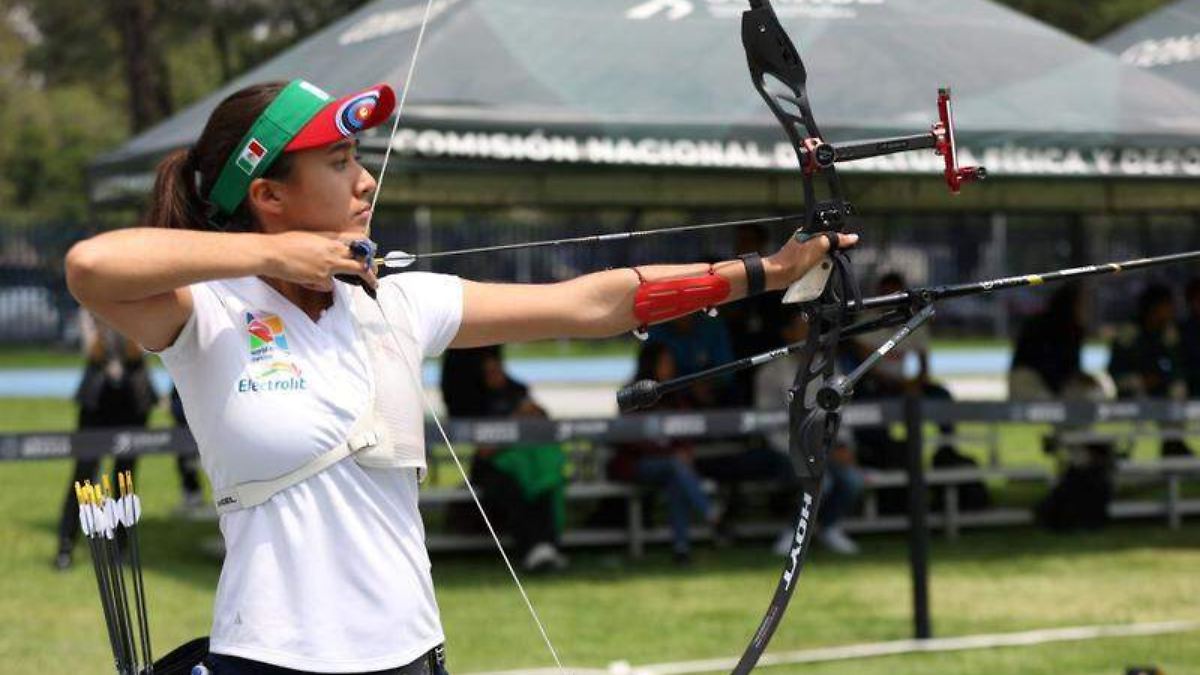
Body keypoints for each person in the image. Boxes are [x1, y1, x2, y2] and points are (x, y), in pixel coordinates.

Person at [64, 78, 854, 673]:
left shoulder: (398, 303)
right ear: (268, 197)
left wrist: (764, 270)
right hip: (270, 656)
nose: (366, 180)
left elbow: (591, 303)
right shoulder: (203, 315)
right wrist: (270, 257)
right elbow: (91, 266)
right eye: (340, 162)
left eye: (360, 160)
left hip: (412, 653)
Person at [441, 348, 567, 573]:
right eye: (488, 372)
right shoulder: (475, 402)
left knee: (544, 481)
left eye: (497, 370)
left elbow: (543, 423)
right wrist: (515, 421)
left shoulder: (518, 391)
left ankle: (546, 545)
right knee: (512, 490)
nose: (495, 375)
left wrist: (534, 412)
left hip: (527, 463)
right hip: (493, 467)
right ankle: (533, 547)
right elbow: (484, 451)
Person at [752, 311, 863, 555]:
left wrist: (842, 444)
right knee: (822, 481)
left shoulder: (832, 368)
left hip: (825, 448)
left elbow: (841, 414)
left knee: (852, 480)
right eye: (803, 329)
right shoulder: (770, 373)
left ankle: (830, 528)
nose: (811, 335)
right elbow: (767, 423)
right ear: (787, 334)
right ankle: (793, 533)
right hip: (784, 449)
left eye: (814, 330)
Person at [54, 309, 156, 570]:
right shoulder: (88, 311)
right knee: (84, 475)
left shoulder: (139, 306)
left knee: (125, 478)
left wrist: (122, 318)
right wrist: (102, 319)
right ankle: (66, 544)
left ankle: (121, 547)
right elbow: (94, 352)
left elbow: (137, 352)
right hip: (97, 402)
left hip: (132, 402)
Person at [610, 342, 722, 564]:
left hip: (671, 468)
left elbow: (687, 429)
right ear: (651, 364)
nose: (670, 367)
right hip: (636, 465)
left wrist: (683, 452)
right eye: (665, 363)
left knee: (676, 479)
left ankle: (681, 549)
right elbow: (628, 439)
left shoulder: (675, 394)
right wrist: (669, 453)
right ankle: (712, 514)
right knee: (674, 467)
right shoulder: (634, 394)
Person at [1108, 283, 1192, 457]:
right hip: (1132, 392)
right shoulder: (1130, 332)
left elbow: (1177, 368)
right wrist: (1141, 380)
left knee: (1178, 389)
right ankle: (1125, 450)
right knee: (1138, 393)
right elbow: (1115, 370)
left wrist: (1161, 378)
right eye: (1167, 306)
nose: (1171, 311)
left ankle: (1173, 444)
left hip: (1161, 391)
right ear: (1154, 307)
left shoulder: (1169, 333)